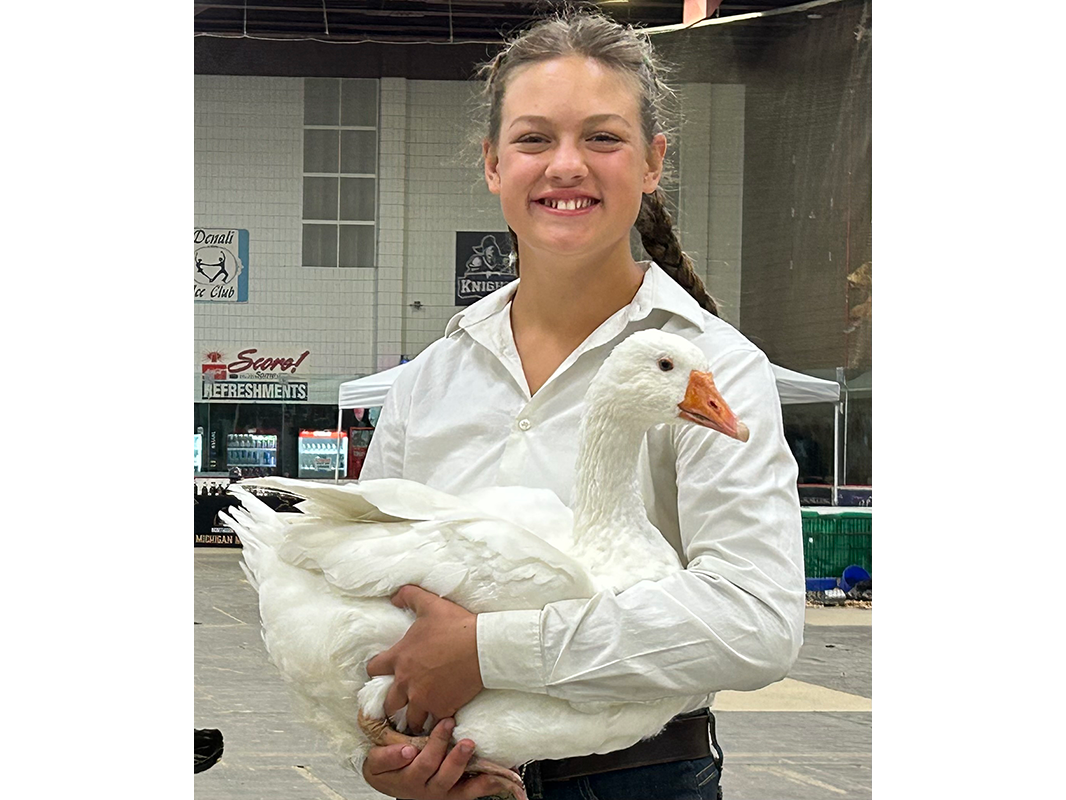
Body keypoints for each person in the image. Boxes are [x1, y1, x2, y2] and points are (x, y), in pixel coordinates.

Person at [357, 11, 805, 800]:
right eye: (534, 140)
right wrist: (377, 751)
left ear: (653, 161)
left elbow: (755, 620)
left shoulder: (719, 371)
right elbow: (366, 603)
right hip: (450, 775)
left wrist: (489, 651)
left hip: (639, 777)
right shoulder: (427, 384)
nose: (567, 165)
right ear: (494, 165)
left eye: (602, 137)